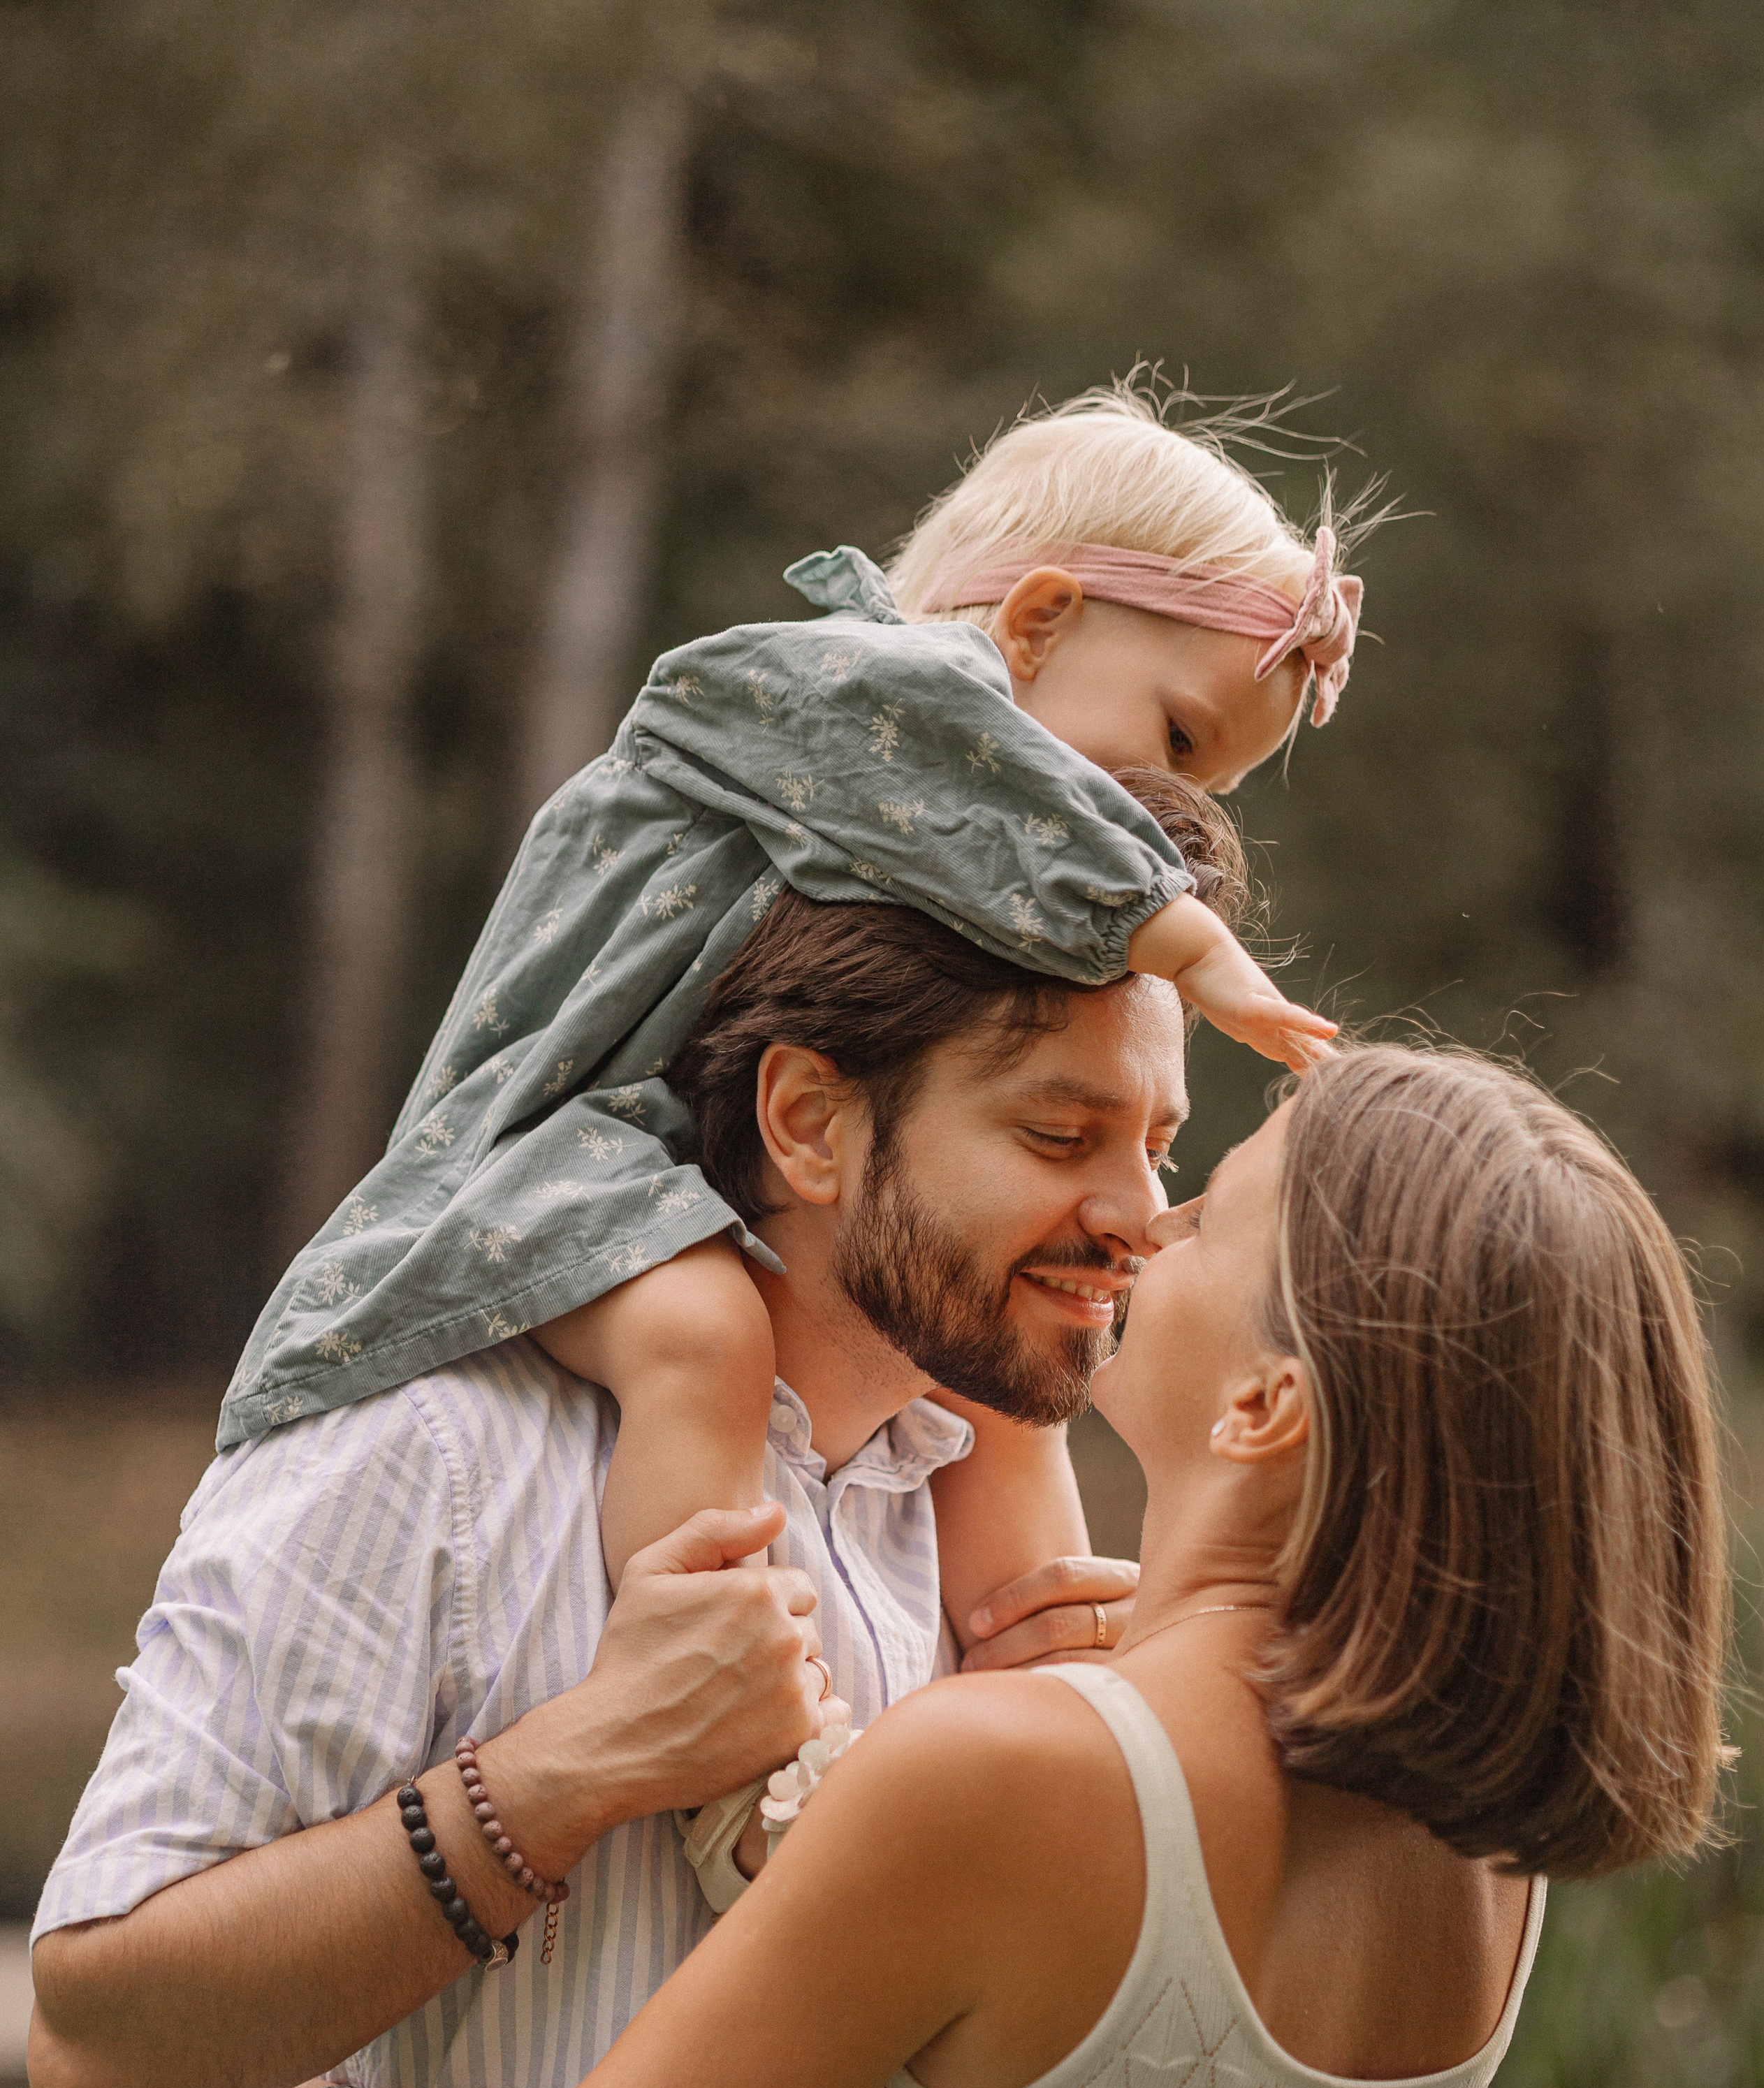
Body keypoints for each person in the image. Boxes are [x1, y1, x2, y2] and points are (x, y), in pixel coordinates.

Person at [248, 1044, 1729, 2088]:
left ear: (1263, 1405)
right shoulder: (1480, 1862)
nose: (1140, 1230)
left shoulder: (1016, 1781)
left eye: (1208, 1207)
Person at [28, 888, 1198, 2088]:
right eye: (1057, 1134)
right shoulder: (423, 1448)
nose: (1132, 1213)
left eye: (1157, 1143)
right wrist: (571, 1775)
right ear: (806, 1120)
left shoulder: (978, 1550)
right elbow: (92, 2055)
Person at [218, 387, 1355, 1794]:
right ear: (1037, 622)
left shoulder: (964, 839)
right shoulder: (827, 691)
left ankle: (1053, 1732)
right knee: (696, 1334)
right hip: (547, 1153)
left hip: (662, 1168)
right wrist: (1192, 949)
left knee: (1005, 1381)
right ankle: (730, 1742)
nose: (1158, 818)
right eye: (1175, 744)